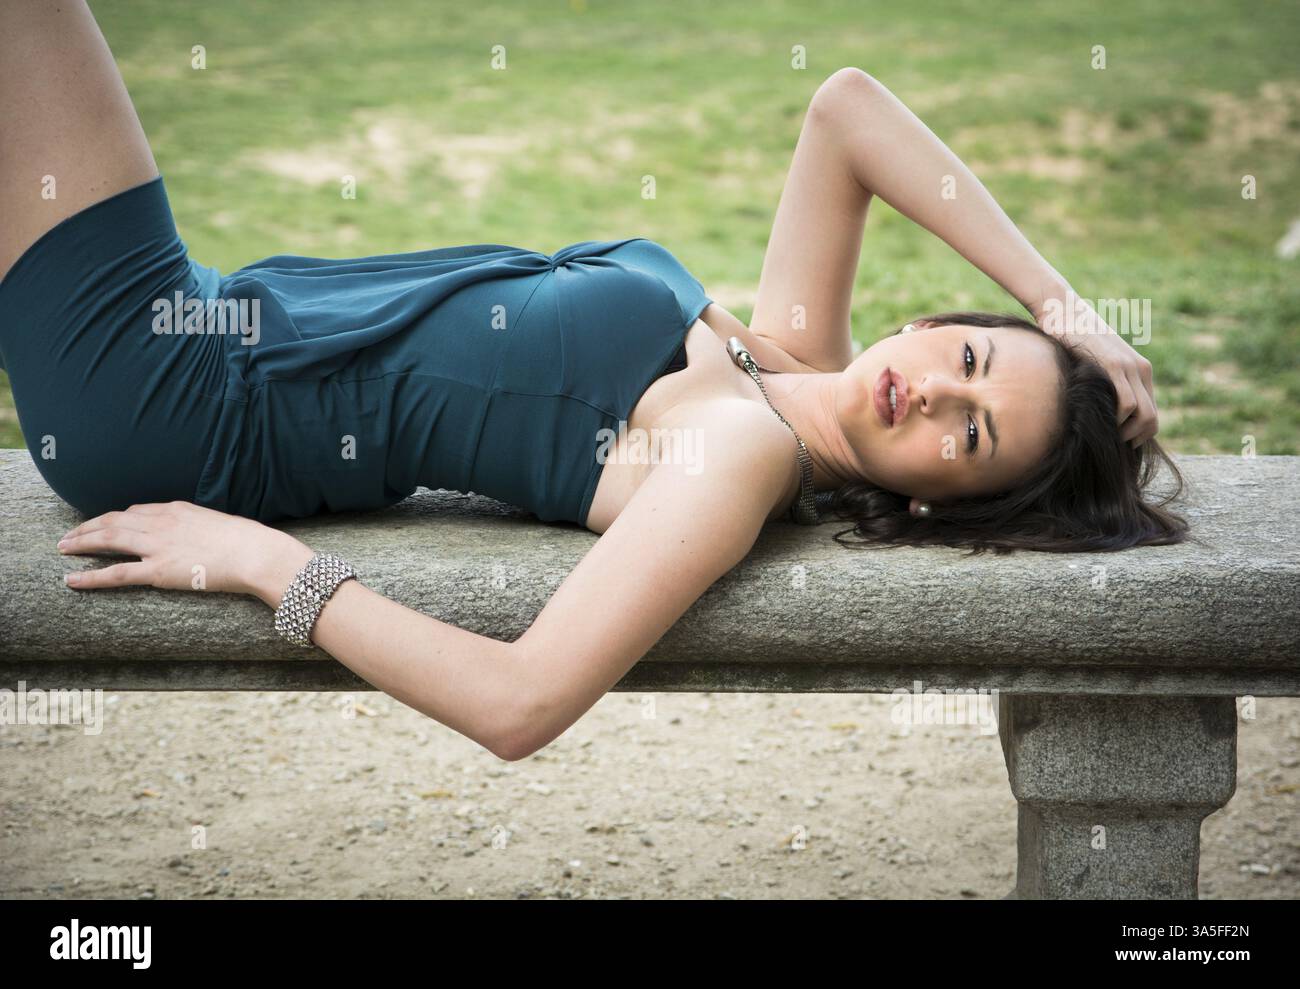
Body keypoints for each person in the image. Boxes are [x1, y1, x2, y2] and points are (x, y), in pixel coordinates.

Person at [0, 2, 1183, 760]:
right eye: (966, 361)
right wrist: (1064, 310)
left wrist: (271, 567)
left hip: (177, 396)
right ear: (932, 321)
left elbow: (519, 702)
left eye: (968, 437)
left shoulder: (739, 450)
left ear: (933, 501)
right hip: (212, 322)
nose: (932, 396)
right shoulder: (795, 361)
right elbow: (848, 110)